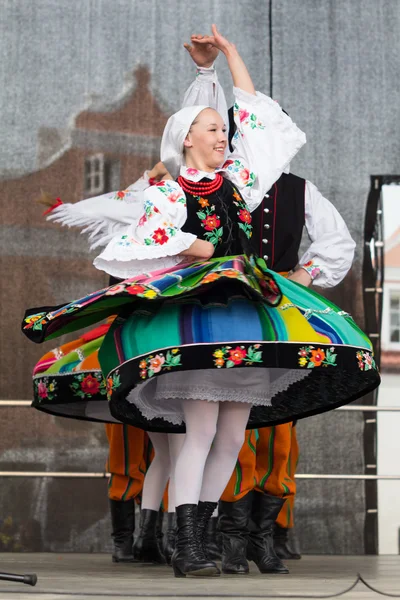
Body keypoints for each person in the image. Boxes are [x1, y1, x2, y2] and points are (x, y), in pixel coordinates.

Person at [22, 25, 379, 579]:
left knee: (233, 434)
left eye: (224, 129)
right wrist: (190, 243)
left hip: (243, 316)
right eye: (214, 128)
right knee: (201, 431)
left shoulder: (238, 182)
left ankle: (202, 533)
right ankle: (186, 541)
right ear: (188, 138)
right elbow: (138, 236)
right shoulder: (168, 189)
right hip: (193, 323)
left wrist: (232, 58)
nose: (226, 136)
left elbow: (258, 120)